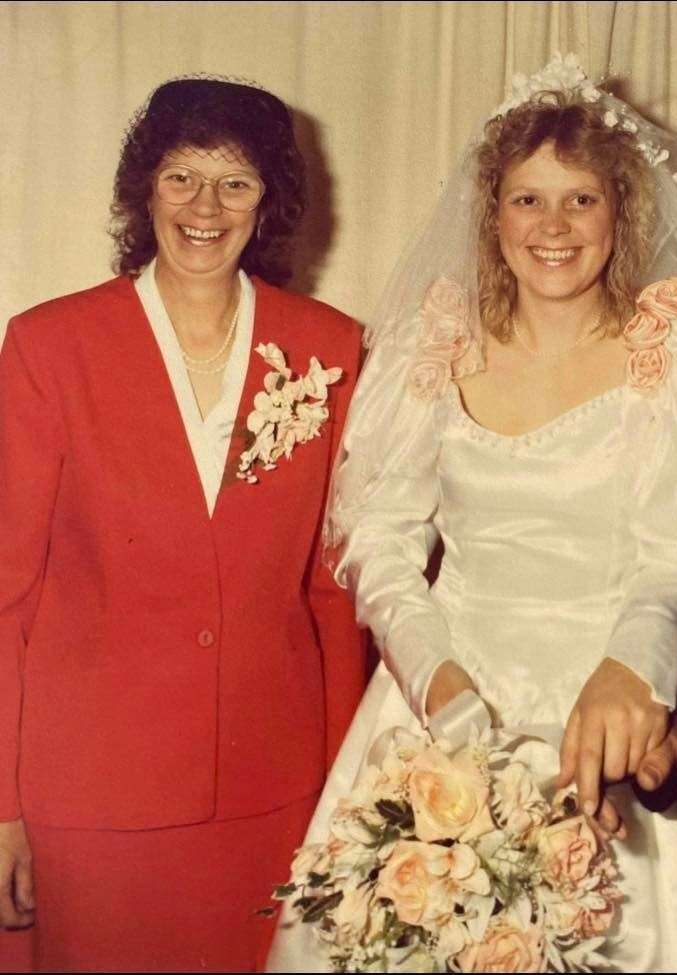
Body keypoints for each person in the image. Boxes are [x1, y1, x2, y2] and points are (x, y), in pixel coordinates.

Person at [267, 55, 677, 972]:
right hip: (443, 705)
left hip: (616, 711)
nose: (552, 226)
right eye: (526, 199)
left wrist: (637, 673)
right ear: (490, 212)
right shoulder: (436, 341)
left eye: (579, 199)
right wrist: (439, 686)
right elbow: (380, 542)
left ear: (621, 212)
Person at [0, 77, 367, 971]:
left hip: (270, 795)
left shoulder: (330, 349)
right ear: (144, 189)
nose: (206, 206)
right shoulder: (50, 346)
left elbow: (335, 594)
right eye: (181, 177)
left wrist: (344, 801)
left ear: (269, 199)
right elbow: (6, 591)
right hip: (89, 799)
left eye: (235, 181)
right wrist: (1, 807)